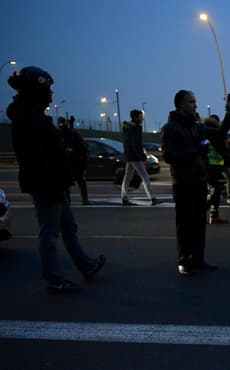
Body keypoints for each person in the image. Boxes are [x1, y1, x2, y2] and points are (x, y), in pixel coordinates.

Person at [7, 66, 105, 293]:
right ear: (35, 90)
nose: (51, 95)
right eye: (48, 89)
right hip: (47, 184)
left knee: (68, 227)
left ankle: (86, 266)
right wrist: (54, 183)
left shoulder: (32, 115)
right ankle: (54, 279)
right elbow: (36, 158)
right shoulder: (26, 118)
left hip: (55, 183)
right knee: (50, 233)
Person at [161, 90, 230, 276]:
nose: (195, 105)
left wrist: (229, 114)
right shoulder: (171, 128)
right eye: (191, 102)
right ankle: (184, 260)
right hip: (183, 181)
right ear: (179, 105)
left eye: (195, 102)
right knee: (184, 223)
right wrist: (196, 150)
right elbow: (169, 156)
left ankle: (198, 258)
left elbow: (219, 133)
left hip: (200, 179)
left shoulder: (197, 126)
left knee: (199, 222)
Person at [203, 115, 230, 224]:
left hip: (209, 165)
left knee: (214, 190)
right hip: (213, 165)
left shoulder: (204, 134)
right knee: (216, 189)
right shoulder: (215, 135)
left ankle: (214, 215)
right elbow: (224, 149)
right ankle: (204, 211)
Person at [121, 109, 160, 206]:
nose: (142, 118)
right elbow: (136, 144)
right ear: (135, 117)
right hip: (135, 156)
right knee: (145, 177)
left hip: (130, 155)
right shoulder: (135, 128)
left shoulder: (129, 128)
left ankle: (124, 198)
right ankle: (152, 198)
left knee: (127, 177)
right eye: (140, 116)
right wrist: (142, 157)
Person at [56, 116, 89, 205]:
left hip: (71, 161)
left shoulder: (60, 134)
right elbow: (83, 148)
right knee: (77, 181)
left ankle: (73, 200)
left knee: (71, 182)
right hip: (72, 161)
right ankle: (83, 199)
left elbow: (82, 148)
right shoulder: (67, 133)